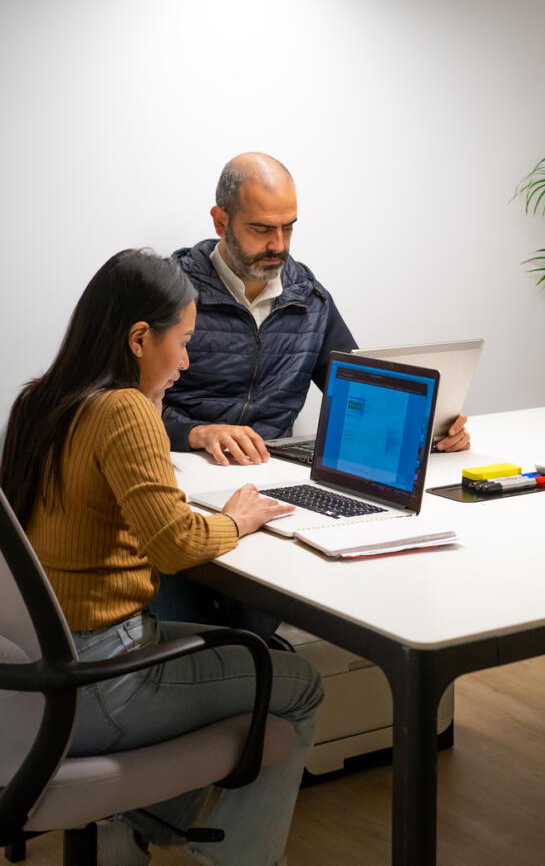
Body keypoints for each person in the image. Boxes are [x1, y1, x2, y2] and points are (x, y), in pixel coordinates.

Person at [0, 248, 323, 866]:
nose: (188, 361)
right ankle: (235, 859)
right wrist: (235, 519)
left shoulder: (38, 401)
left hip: (41, 663)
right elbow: (175, 545)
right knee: (299, 684)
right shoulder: (125, 410)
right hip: (102, 682)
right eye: (184, 341)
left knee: (251, 656)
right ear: (140, 338)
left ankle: (129, 818)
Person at [155, 152, 471, 633]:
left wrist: (433, 430)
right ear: (221, 221)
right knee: (184, 607)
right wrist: (196, 431)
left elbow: (360, 394)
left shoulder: (309, 297)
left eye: (288, 228)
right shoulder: (172, 293)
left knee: (262, 605)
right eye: (262, 229)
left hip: (269, 482)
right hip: (179, 479)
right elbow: (117, 405)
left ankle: (250, 672)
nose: (277, 245)